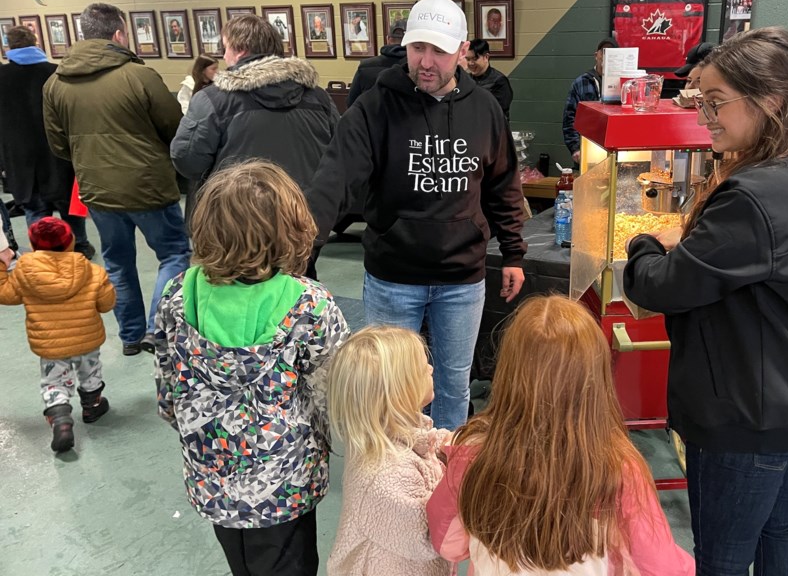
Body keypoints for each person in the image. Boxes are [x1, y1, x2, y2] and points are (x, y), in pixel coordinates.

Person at [622, 27, 788, 575]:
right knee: (782, 525)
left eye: (715, 103)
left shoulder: (755, 196)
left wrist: (649, 242)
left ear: (770, 101)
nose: (705, 117)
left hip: (752, 415)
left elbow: (659, 286)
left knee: (724, 553)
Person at [308, 0, 527, 430]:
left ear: (463, 50)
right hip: (394, 276)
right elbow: (333, 179)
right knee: (394, 391)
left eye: (439, 51)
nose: (426, 61)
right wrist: (297, 251)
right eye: (417, 48)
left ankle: (442, 478)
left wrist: (515, 252)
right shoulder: (375, 106)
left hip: (461, 279)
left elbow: (503, 183)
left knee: (453, 387)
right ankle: (398, 485)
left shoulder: (484, 108)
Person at [154, 160, 349, 576]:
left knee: (239, 563)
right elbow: (333, 391)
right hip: (285, 479)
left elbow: (168, 388)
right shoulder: (308, 304)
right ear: (290, 228)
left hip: (212, 473)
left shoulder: (177, 294)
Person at [426, 295, 694, 574]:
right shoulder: (619, 469)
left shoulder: (471, 454)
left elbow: (447, 543)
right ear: (596, 379)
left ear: (508, 372)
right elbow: (661, 566)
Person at [43, 2, 191, 357]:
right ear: (119, 34)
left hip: (97, 190)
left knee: (117, 262)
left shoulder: (55, 83)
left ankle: (129, 335)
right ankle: (158, 330)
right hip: (149, 186)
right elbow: (175, 128)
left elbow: (58, 144)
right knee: (173, 254)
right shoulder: (140, 76)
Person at [170, 14, 339, 275]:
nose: (223, 57)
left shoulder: (212, 100)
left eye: (225, 48)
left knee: (236, 297)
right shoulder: (318, 98)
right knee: (300, 293)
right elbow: (338, 157)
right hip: (301, 221)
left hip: (234, 224)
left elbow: (186, 159)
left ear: (240, 50)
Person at [326, 326, 452, 576]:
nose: (431, 368)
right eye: (421, 368)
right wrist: (462, 480)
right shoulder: (382, 475)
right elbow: (431, 536)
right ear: (397, 393)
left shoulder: (391, 431)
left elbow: (421, 443)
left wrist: (450, 443)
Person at [0, 217, 115, 453]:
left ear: (33, 246)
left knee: (54, 381)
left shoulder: (24, 272)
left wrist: (2, 265)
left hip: (49, 343)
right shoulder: (92, 271)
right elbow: (106, 304)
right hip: (87, 338)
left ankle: (60, 418)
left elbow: (5, 295)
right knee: (90, 371)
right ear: (70, 241)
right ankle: (92, 405)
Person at [0, 25, 96, 260]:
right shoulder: (57, 73)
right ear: (36, 42)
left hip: (19, 158)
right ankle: (79, 245)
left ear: (8, 47)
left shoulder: (1, 78)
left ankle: (44, 253)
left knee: (35, 208)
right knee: (68, 206)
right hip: (58, 153)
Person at [562, 37, 617, 165]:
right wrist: (575, 148)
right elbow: (570, 118)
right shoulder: (581, 83)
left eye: (612, 53)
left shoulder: (624, 85)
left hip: (616, 152)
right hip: (587, 150)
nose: (606, 56)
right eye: (603, 52)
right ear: (596, 55)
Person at [346, 21, 406, 107]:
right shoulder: (416, 67)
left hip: (371, 118)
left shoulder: (365, 66)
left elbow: (351, 103)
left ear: (388, 39)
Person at [465, 38, 513, 120]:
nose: (470, 63)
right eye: (468, 59)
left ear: (486, 57)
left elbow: (495, 112)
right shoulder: (466, 80)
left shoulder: (500, 81)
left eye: (474, 59)